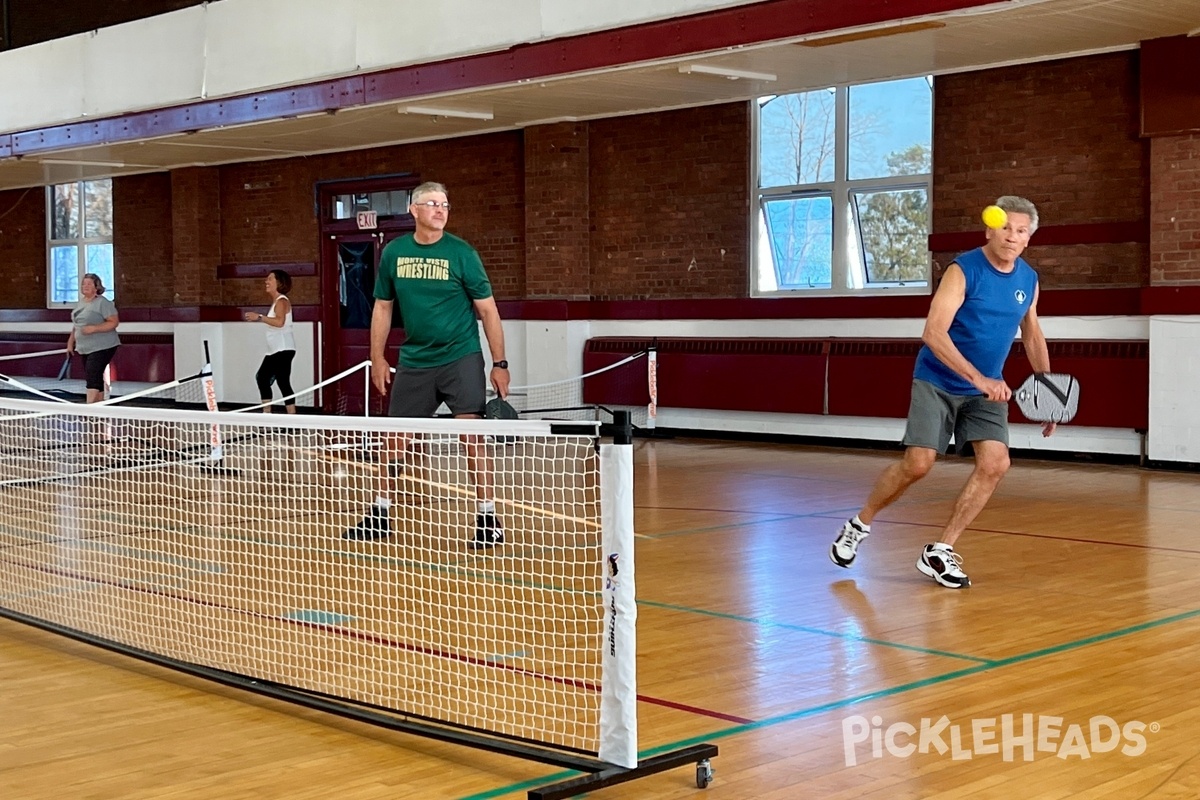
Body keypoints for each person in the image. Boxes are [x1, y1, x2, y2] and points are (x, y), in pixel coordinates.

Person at [829, 195, 1057, 589]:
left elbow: (1032, 333)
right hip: (939, 380)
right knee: (918, 464)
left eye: (1021, 231)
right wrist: (978, 379)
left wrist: (1049, 389)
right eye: (1005, 227)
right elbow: (933, 333)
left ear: (1028, 240)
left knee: (995, 464)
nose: (1012, 236)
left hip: (985, 390)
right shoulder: (963, 270)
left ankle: (940, 549)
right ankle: (860, 523)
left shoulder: (1028, 280)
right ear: (990, 229)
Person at [344, 182, 510, 548]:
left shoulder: (462, 254)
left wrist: (499, 362)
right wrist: (377, 357)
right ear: (413, 209)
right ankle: (380, 513)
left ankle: (487, 518)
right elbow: (383, 307)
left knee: (473, 439)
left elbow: (488, 310)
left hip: (460, 356)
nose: (440, 209)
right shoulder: (394, 253)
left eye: (445, 204)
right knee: (393, 441)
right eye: (432, 203)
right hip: (415, 360)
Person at [244, 269, 297, 414]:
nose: (266, 282)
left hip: (282, 349)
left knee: (263, 378)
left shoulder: (282, 301)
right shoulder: (277, 302)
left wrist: (259, 317)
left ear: (279, 282)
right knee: (282, 381)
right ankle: (291, 419)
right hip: (277, 349)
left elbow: (280, 322)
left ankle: (268, 416)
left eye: (269, 279)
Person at [66, 273, 120, 404]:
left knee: (92, 376)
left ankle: (88, 408)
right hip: (85, 347)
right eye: (83, 284)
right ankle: (98, 407)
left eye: (89, 284)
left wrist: (94, 328)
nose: (85, 286)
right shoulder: (81, 303)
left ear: (96, 287)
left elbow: (114, 322)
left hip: (103, 346)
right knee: (94, 375)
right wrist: (70, 342)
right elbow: (77, 325)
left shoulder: (103, 303)